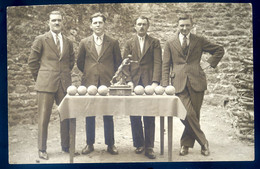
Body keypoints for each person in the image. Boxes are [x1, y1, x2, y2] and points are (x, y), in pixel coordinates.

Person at [161, 14, 224, 156]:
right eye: (182, 25)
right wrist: (165, 84)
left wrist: (208, 64)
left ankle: (185, 144)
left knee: (194, 115)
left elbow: (219, 50)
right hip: (178, 83)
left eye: (187, 25)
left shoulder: (199, 40)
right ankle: (203, 142)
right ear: (178, 26)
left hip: (197, 81)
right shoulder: (170, 42)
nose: (184, 28)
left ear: (192, 25)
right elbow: (165, 65)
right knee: (187, 113)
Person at [28, 10, 75, 160]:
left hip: (64, 84)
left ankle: (66, 146)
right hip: (45, 85)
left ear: (62, 22)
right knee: (43, 118)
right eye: (53, 20)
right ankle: (42, 149)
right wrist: (41, 78)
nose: (56, 23)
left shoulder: (68, 41)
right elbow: (32, 62)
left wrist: (64, 75)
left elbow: (70, 62)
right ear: (48, 22)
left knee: (66, 116)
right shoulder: (41, 39)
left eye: (59, 20)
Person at [77, 12, 122, 155]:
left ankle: (111, 144)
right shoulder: (84, 42)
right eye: (95, 22)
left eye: (100, 22)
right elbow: (80, 63)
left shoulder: (113, 42)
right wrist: (90, 73)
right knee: (89, 114)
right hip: (89, 82)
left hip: (107, 83)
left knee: (108, 114)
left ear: (104, 24)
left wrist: (108, 76)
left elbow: (118, 63)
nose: (97, 25)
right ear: (91, 25)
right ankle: (89, 144)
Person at [123, 16, 162, 159]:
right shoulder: (129, 43)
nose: (141, 27)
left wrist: (155, 82)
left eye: (144, 24)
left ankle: (149, 146)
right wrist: (128, 81)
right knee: (134, 113)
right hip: (134, 82)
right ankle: (139, 143)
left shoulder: (155, 42)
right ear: (134, 26)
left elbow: (158, 63)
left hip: (148, 82)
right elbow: (125, 63)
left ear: (148, 26)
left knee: (149, 113)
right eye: (139, 24)